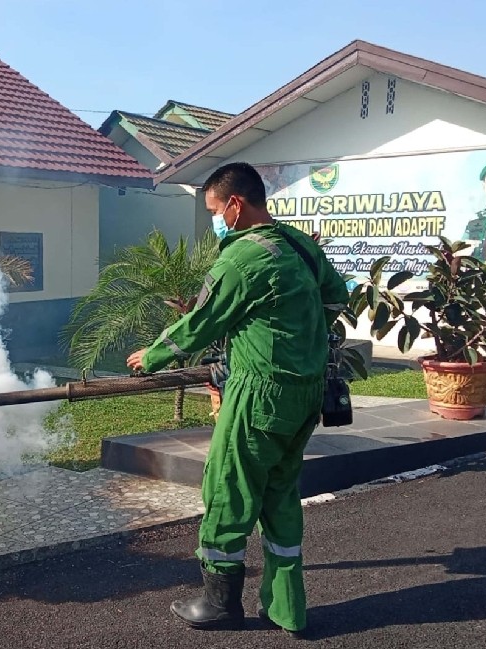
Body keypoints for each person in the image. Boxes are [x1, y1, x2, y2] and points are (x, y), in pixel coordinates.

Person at [126, 162, 348, 635]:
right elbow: (334, 300)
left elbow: (203, 321)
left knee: (228, 489)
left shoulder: (242, 258)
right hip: (304, 393)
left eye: (213, 210)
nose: (215, 220)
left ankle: (220, 603)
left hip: (259, 393)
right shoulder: (300, 245)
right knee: (280, 493)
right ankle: (286, 606)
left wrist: (154, 355)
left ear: (235, 204)